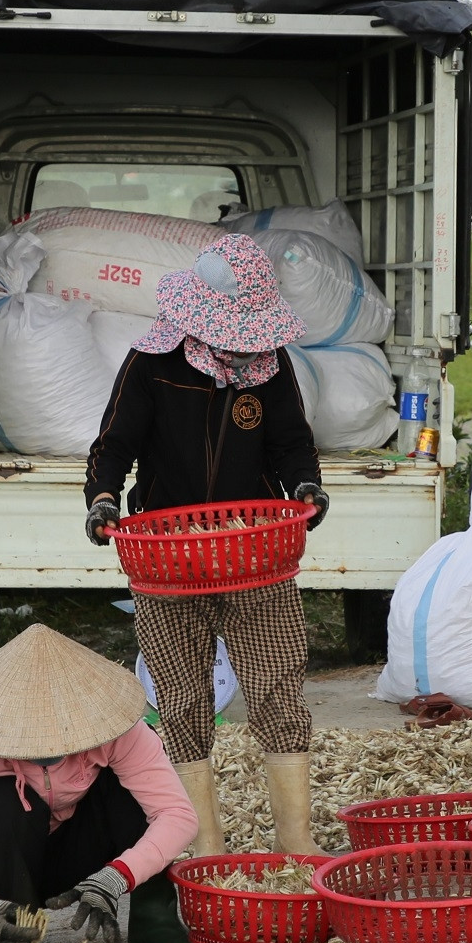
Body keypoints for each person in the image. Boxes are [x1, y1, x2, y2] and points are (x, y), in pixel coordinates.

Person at [84, 233, 329, 856]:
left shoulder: (269, 366)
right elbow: (112, 446)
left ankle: (297, 851)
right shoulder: (154, 363)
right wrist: (104, 499)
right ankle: (206, 852)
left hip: (255, 550)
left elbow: (292, 443)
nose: (243, 348)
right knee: (182, 698)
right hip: (168, 551)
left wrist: (307, 486)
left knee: (277, 685)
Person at [0, 623, 202, 943]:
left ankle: (154, 918)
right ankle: (7, 932)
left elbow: (177, 815)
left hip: (85, 856)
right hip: (6, 862)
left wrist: (119, 874)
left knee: (124, 790)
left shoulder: (120, 731)